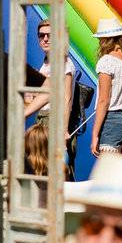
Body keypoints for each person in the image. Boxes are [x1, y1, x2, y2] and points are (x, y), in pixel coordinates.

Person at [89, 19, 122, 157]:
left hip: (113, 121)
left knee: (107, 174)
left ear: (106, 40)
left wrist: (95, 135)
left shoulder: (107, 61)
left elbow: (104, 100)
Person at [37, 18, 83, 174]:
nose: (45, 39)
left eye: (50, 35)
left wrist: (63, 131)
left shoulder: (63, 62)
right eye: (41, 35)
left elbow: (67, 99)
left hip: (55, 121)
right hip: (42, 120)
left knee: (58, 173)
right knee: (43, 171)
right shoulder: (46, 62)